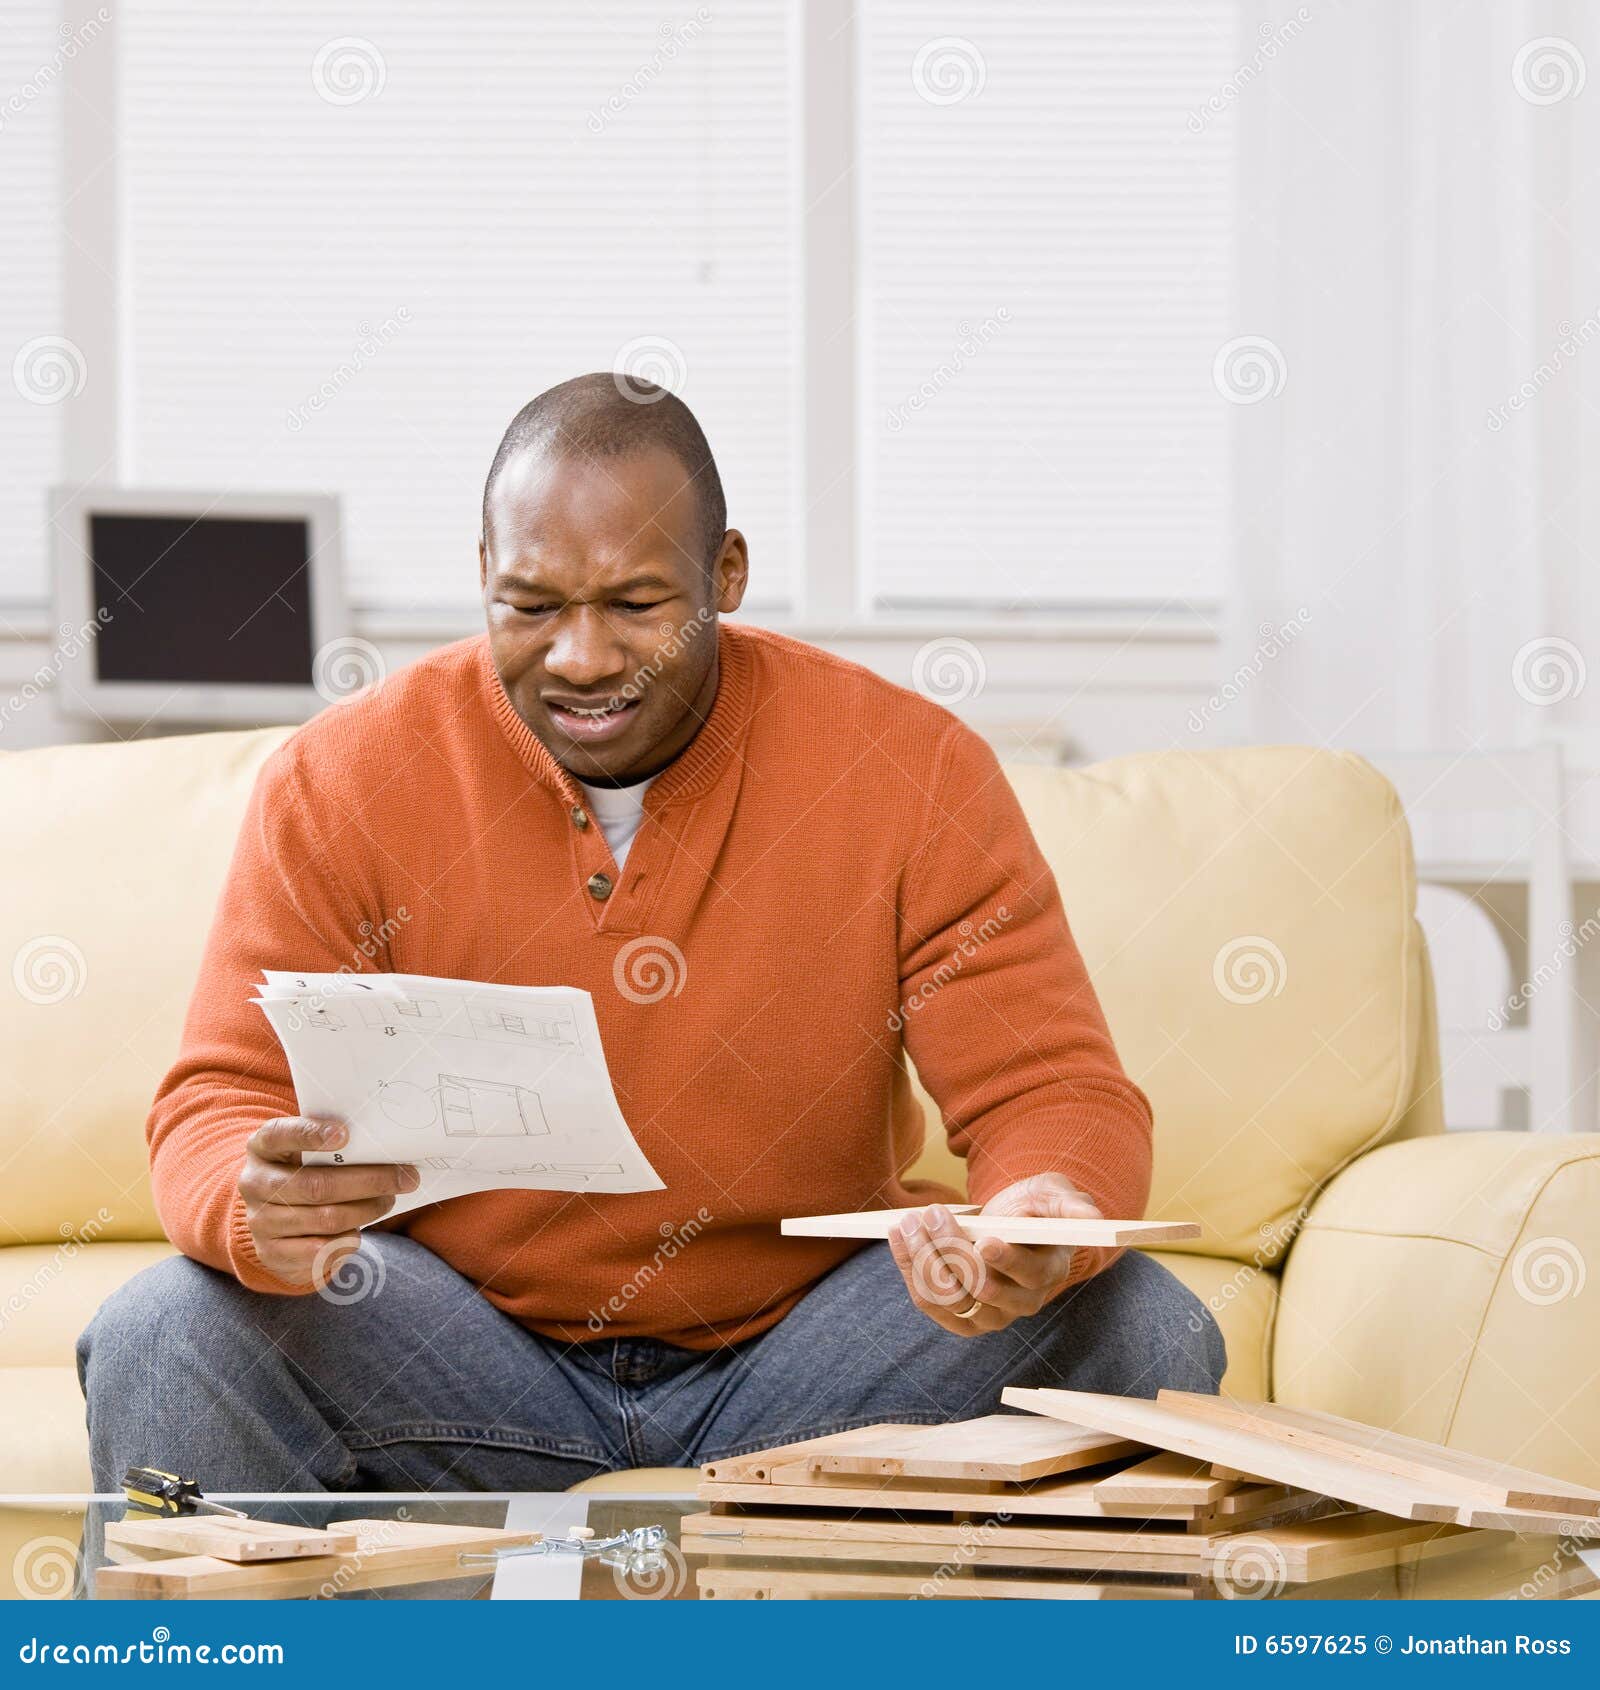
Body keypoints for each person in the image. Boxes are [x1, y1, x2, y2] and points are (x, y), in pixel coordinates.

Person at [77, 373, 1223, 1492]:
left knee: (1144, 1329)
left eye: (635, 605)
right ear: (482, 575)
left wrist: (1043, 1209)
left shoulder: (908, 768)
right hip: (461, 1347)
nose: (580, 658)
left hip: (809, 1361)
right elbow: (217, 1097)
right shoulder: (342, 777)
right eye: (530, 607)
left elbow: (1050, 1090)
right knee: (167, 1328)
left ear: (724, 574)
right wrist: (252, 1202)